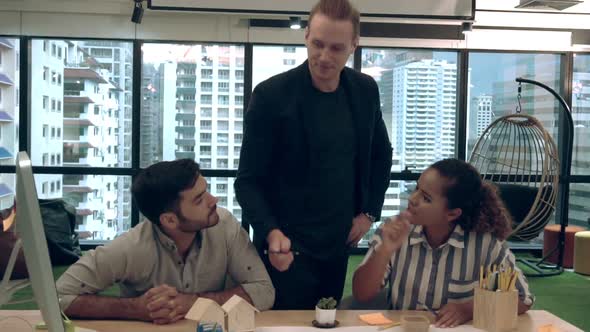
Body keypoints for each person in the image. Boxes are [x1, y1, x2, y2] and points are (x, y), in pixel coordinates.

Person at [235, 0, 392, 309]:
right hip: (285, 246)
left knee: (328, 320)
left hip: (338, 240)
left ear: (353, 45)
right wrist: (270, 232)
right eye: (317, 44)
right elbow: (248, 182)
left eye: (336, 48)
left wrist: (368, 213)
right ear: (306, 35)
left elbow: (381, 155)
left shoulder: (363, 90)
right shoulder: (271, 96)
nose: (323, 57)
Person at [56, 159, 275, 324]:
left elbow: (264, 292)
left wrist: (193, 302)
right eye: (199, 199)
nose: (213, 201)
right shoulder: (131, 247)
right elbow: (58, 296)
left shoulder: (225, 226)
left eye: (205, 191)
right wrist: (136, 309)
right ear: (169, 220)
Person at [353, 158, 534, 328]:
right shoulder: (393, 230)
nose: (412, 199)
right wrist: (383, 251)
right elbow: (362, 294)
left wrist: (468, 309)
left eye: (426, 198)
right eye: (416, 189)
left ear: (452, 214)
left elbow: (522, 298)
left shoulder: (486, 244)